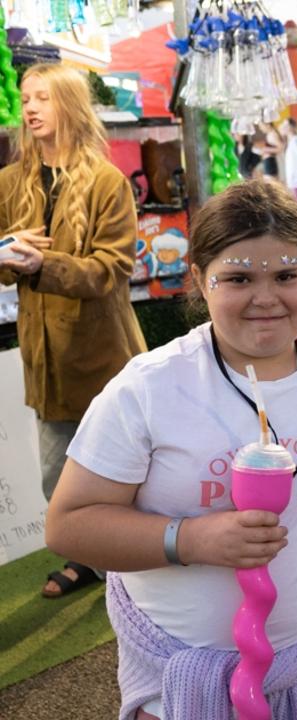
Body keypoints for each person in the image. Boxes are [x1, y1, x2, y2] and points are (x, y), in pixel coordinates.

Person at [43, 179, 297, 719]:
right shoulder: (149, 386)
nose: (265, 298)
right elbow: (69, 525)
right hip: (178, 677)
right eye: (238, 277)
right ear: (199, 279)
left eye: (287, 275)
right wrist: (191, 538)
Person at [0, 63, 146, 599]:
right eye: (25, 98)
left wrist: (43, 265)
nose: (30, 108)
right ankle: (90, 559)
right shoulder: (9, 182)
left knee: (118, 470)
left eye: (42, 97)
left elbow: (111, 269)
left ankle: (125, 569)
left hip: (101, 353)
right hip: (44, 358)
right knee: (55, 475)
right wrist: (8, 256)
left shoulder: (106, 182)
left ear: (70, 105)